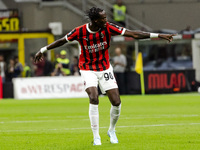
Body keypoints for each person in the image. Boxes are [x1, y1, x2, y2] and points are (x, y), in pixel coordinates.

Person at [34, 7, 175, 146]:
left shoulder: (108, 28)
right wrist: (42, 50)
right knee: (93, 96)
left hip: (105, 68)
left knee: (116, 102)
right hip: (87, 69)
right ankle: (96, 137)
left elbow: (133, 34)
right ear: (95, 21)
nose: (106, 20)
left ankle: (111, 130)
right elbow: (62, 41)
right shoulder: (80, 31)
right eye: (103, 18)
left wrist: (157, 35)